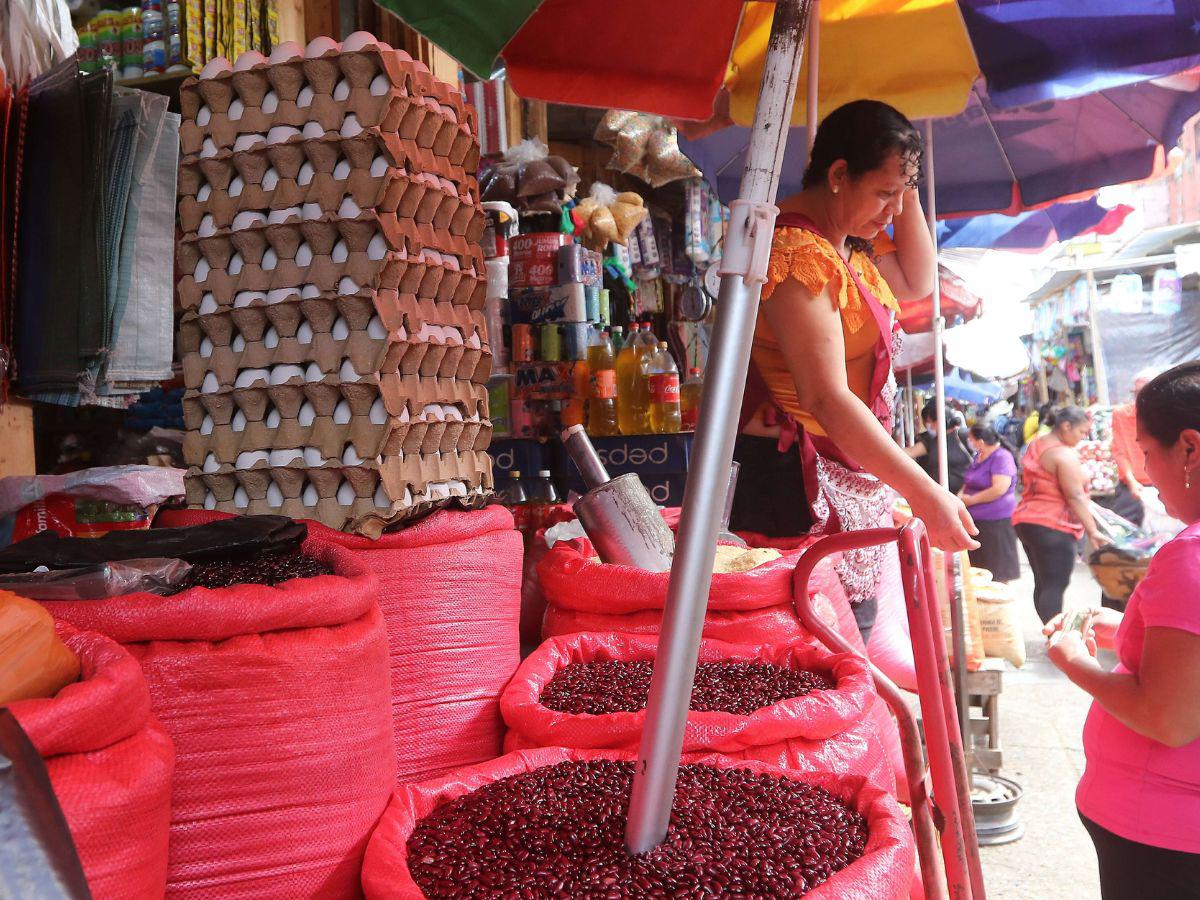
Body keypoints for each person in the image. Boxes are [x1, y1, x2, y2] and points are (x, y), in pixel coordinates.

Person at [729, 99, 977, 644]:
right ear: (839, 174)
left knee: (846, 647)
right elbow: (825, 398)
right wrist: (925, 492)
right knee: (819, 652)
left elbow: (918, 279)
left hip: (842, 473)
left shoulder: (847, 247)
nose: (892, 211)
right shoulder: (796, 250)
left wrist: (903, 179)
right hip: (793, 482)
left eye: (901, 195)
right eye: (883, 193)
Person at [1044, 362, 1200, 898]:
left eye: (1146, 453)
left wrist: (1073, 660)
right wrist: (1130, 626)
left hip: (1165, 833)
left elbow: (1168, 718)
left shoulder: (1191, 556)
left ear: (1190, 448)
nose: (1147, 476)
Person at [1012, 406, 1102, 623]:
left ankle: (1051, 633)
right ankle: (1056, 638)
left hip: (1026, 519)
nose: (1082, 438)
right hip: (1052, 523)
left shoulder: (1038, 443)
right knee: (1054, 584)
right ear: (1066, 426)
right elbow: (1075, 496)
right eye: (1081, 432)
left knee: (1043, 583)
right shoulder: (1062, 454)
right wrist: (1093, 531)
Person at [960, 425, 1020, 582]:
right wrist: (960, 496)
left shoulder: (1002, 457)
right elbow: (969, 480)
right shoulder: (979, 456)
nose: (969, 442)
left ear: (980, 441)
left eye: (971, 439)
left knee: (997, 568)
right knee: (979, 566)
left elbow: (999, 488)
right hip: (976, 519)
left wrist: (972, 500)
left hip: (996, 520)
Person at [1104, 367, 1162, 527]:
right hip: (1132, 485)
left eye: (1142, 393)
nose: (1138, 398)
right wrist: (1131, 482)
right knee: (1123, 533)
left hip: (1162, 484)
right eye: (1135, 393)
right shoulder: (1122, 414)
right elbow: (1119, 451)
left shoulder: (1166, 414)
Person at [905, 399, 973, 493]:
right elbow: (910, 452)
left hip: (964, 497)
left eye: (932, 421)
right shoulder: (930, 440)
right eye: (927, 421)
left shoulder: (963, 436)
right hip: (937, 495)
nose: (929, 425)